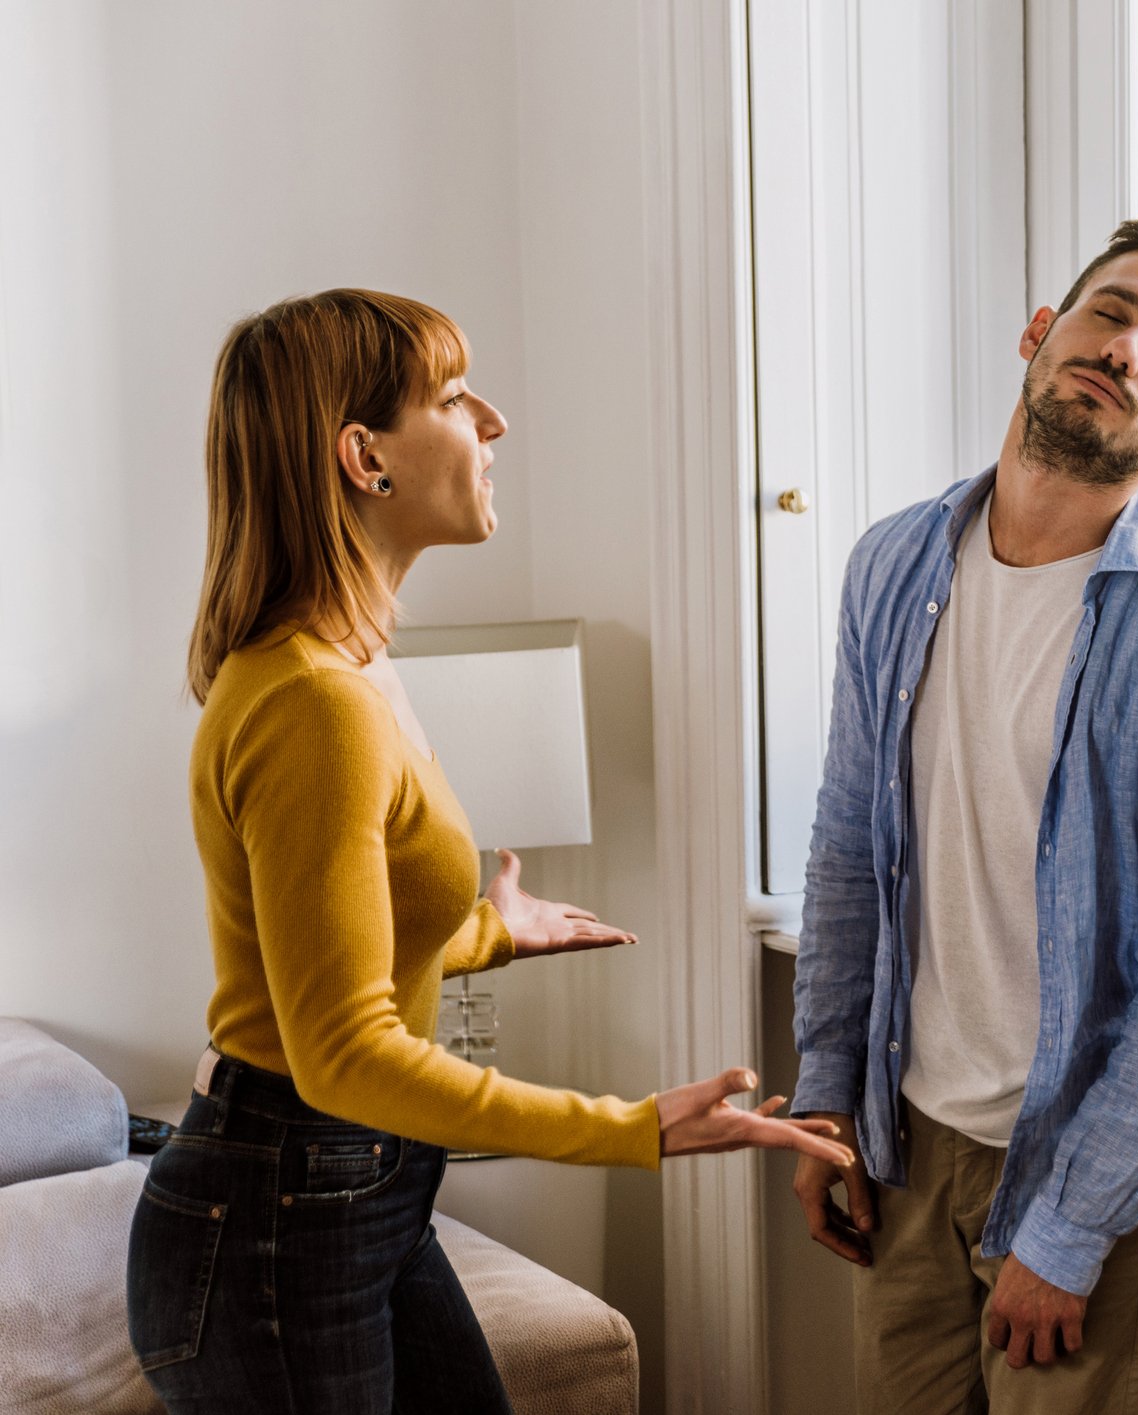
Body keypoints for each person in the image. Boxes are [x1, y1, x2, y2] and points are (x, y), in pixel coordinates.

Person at [129, 289, 853, 1414]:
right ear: (363, 456)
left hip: (351, 1186)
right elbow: (342, 1050)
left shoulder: (350, 663)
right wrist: (630, 1125)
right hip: (283, 1205)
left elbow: (327, 944)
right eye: (455, 397)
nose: (495, 421)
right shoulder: (310, 698)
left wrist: (479, 929)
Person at [790, 206, 1138, 1413]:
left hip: (1084, 1167)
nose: (1126, 350)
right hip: (902, 1135)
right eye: (1110, 312)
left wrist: (1066, 1232)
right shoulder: (891, 563)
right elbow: (850, 842)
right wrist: (822, 1091)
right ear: (1038, 332)